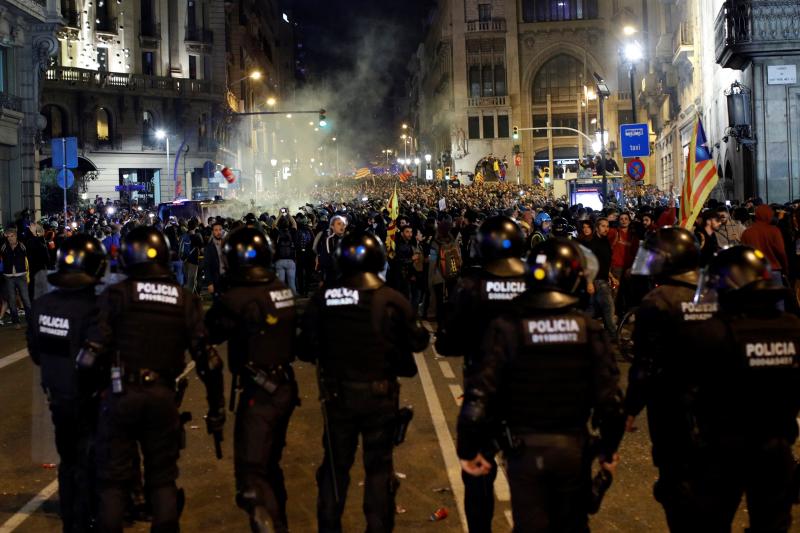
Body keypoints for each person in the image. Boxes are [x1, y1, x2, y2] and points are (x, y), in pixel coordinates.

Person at [457, 238, 624, 531]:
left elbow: (479, 395)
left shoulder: (508, 327)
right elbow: (611, 402)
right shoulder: (590, 330)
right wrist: (608, 452)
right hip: (573, 450)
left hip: (524, 453)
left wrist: (471, 451)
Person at [87, 226, 225, 532]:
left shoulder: (115, 295)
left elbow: (91, 355)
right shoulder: (183, 299)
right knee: (162, 479)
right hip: (162, 397)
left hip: (120, 395)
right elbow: (210, 362)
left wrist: (93, 400)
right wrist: (217, 410)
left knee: (112, 483)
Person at [299, 232, 429, 532]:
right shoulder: (391, 298)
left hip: (337, 397)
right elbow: (419, 340)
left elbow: (304, 347)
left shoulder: (324, 298)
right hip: (379, 398)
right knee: (379, 471)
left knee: (334, 470)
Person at [683, 246, 800, 532]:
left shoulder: (713, 331)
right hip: (776, 447)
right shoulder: (793, 327)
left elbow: (689, 391)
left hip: (724, 450)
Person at [436, 215, 527, 533]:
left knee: (477, 475)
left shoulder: (471, 287)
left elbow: (447, 342)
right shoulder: (536, 281)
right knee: (529, 479)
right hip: (528, 393)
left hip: (482, 394)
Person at [205, 227, 299, 533]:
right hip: (285, 385)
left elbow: (209, 332)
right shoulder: (281, 290)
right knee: (270, 465)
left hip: (259, 391)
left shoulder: (235, 298)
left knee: (251, 474)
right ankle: (281, 521)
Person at [624, 226, 714, 530]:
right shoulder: (716, 292)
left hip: (672, 406)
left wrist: (631, 407)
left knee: (676, 488)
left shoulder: (658, 301)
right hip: (717, 406)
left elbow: (645, 362)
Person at [27, 234, 106, 533]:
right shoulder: (95, 308)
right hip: (89, 399)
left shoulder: (40, 306)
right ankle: (86, 518)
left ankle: (71, 522)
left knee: (68, 461)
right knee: (89, 461)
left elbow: (35, 353)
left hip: (57, 398)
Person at [585, 217, 617, 342]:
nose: (606, 229)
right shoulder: (593, 243)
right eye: (603, 226)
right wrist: (589, 283)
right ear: (597, 227)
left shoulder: (605, 241)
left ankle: (576, 324)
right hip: (597, 281)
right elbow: (588, 264)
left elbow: (604, 263)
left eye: (607, 226)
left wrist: (611, 277)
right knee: (609, 308)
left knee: (593, 310)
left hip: (603, 279)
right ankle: (614, 336)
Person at [741, 204, 789, 288]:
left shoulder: (746, 232)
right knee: (777, 299)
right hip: (773, 271)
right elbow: (781, 252)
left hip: (754, 272)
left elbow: (743, 254)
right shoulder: (774, 231)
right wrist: (785, 268)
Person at [1, 228, 32, 328]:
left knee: (26, 299)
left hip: (21, 275)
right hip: (8, 276)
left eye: (12, 236)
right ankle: (16, 321)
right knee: (12, 300)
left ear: (16, 236)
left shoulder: (22, 246)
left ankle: (30, 320)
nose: (10, 238)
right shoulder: (4, 246)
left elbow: (29, 257)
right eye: (8, 236)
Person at [316, 215, 347, 284]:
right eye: (339, 224)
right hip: (333, 276)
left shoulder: (348, 239)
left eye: (343, 224)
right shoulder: (329, 240)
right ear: (332, 226)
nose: (342, 226)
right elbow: (326, 259)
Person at [204, 220, 227, 298]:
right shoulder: (209, 248)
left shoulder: (227, 245)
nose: (218, 232)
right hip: (216, 281)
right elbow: (207, 266)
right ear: (213, 232)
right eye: (216, 230)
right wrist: (209, 283)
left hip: (227, 281)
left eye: (220, 230)